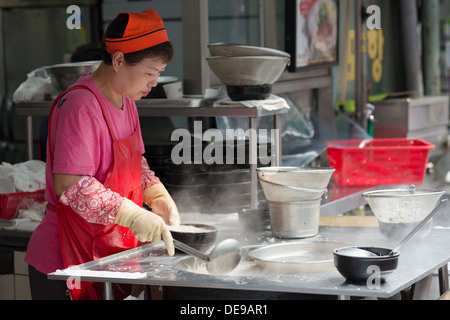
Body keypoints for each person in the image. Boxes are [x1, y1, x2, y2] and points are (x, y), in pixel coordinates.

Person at [25, 9, 180, 300]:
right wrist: (130, 215)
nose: (155, 83)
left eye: (158, 73)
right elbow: (70, 184)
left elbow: (136, 162)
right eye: (150, 73)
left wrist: (156, 193)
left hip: (105, 253)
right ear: (119, 59)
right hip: (65, 259)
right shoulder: (80, 106)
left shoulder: (127, 99)